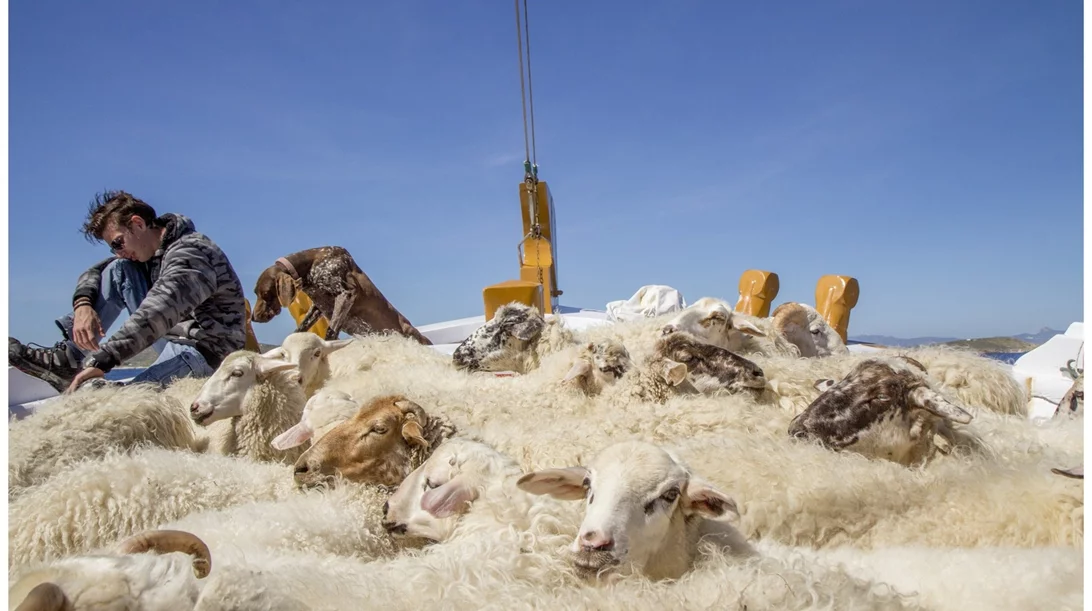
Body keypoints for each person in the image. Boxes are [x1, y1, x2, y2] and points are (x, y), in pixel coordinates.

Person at [9, 191, 248, 394]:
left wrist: (104, 359)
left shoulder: (192, 253)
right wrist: (83, 304)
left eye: (118, 243)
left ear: (138, 224)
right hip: (171, 339)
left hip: (206, 353)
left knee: (122, 405)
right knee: (118, 269)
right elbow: (98, 271)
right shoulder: (148, 256)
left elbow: (157, 311)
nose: (118, 251)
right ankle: (68, 360)